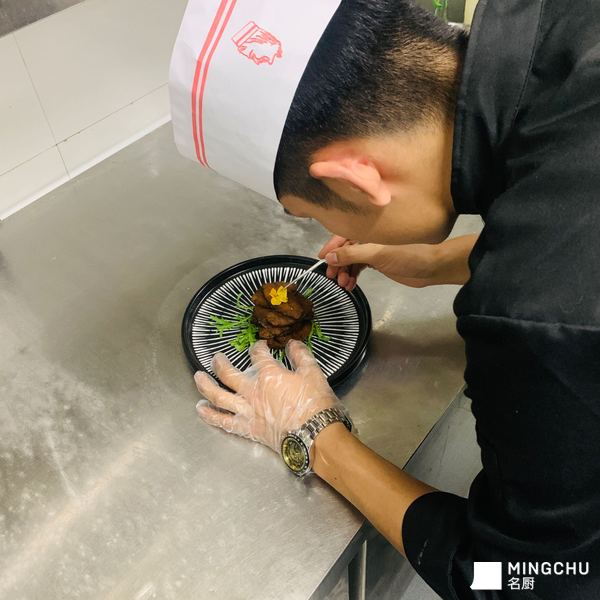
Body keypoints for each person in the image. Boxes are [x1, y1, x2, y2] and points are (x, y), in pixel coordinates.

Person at [191, 0, 600, 597]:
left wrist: (315, 433)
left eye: (312, 212)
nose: (328, 229)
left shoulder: (533, 316)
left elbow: (532, 579)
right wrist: (442, 261)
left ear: (356, 181)